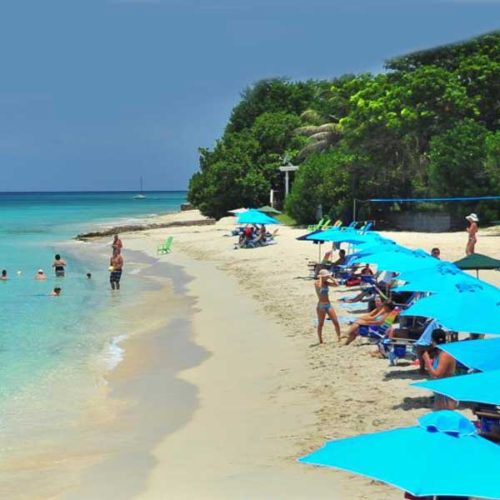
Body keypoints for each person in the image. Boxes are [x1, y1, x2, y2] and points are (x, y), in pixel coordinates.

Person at [422, 329, 457, 410]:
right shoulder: (440, 353)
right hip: (442, 389)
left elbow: (437, 374)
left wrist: (427, 361)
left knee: (444, 415)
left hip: (447, 390)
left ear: (432, 340)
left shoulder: (444, 354)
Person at [314, 269, 341, 344]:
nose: (327, 278)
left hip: (328, 304)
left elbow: (337, 284)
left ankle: (339, 337)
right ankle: (320, 340)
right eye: (326, 276)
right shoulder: (317, 282)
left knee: (335, 321)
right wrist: (321, 277)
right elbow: (319, 286)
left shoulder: (326, 283)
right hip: (321, 305)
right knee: (321, 323)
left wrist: (331, 277)